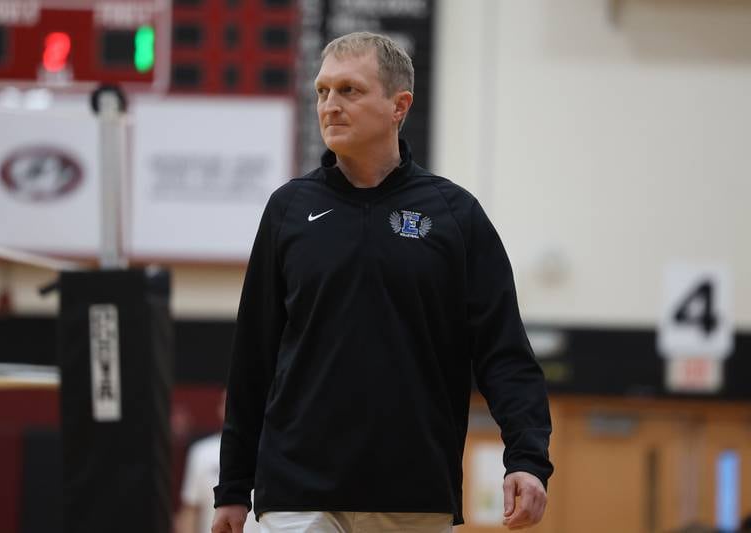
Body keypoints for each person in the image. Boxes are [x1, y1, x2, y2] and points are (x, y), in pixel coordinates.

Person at [212, 31, 553, 533]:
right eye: (323, 91)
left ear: (399, 105)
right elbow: (252, 358)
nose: (330, 105)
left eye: (349, 90)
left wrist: (527, 457)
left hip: (413, 492)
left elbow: (503, 350)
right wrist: (233, 487)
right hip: (296, 492)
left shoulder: (456, 216)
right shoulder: (288, 210)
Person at [177, 391, 259, 533]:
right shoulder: (201, 452)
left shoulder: (270, 451)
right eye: (229, 402)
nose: (237, 408)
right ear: (220, 408)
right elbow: (190, 509)